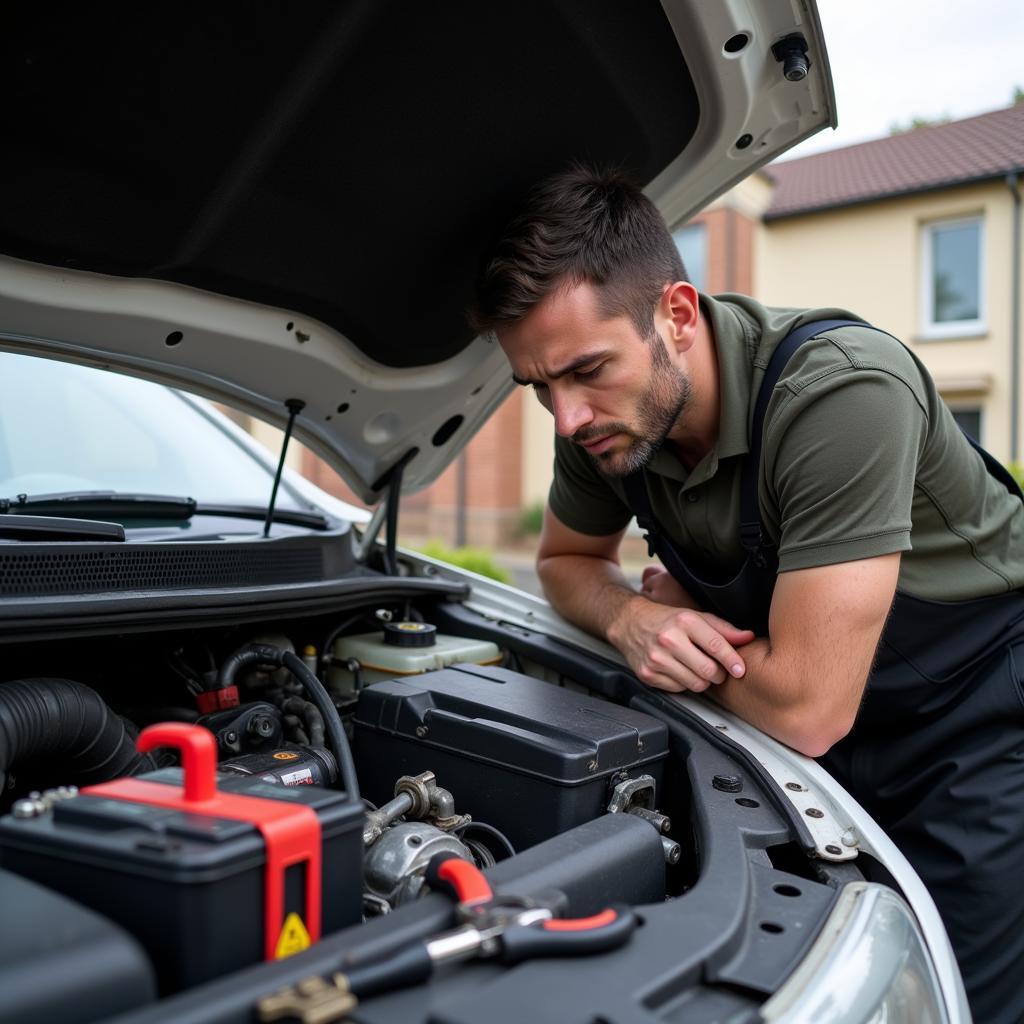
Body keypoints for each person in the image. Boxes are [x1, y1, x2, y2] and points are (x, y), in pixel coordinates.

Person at [471, 165, 1024, 1023]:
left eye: (586, 370)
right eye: (539, 386)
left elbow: (806, 706)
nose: (567, 418)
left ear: (678, 316)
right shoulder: (604, 428)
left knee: (955, 991)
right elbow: (564, 562)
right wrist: (634, 617)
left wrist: (712, 627)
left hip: (976, 716)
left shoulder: (841, 393)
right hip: (809, 714)